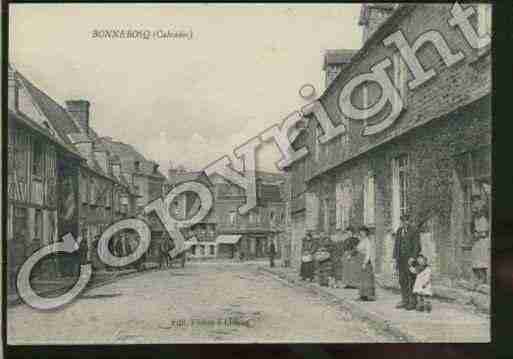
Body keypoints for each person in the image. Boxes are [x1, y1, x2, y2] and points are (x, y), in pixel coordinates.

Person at [393, 214, 422, 310]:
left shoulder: (414, 230)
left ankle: (413, 302)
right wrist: (394, 258)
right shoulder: (399, 231)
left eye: (406, 221)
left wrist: (413, 257)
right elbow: (396, 245)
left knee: (412, 280)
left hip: (410, 260)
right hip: (401, 260)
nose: (404, 223)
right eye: (402, 221)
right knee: (402, 280)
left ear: (409, 221)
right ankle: (404, 300)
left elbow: (417, 246)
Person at [356, 226, 376, 301]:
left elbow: (368, 253)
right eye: (361, 232)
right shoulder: (362, 240)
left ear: (366, 233)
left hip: (365, 261)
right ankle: (362, 295)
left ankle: (368, 296)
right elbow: (358, 249)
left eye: (363, 232)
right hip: (360, 260)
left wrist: (365, 263)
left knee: (366, 279)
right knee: (361, 279)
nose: (362, 233)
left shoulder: (367, 241)